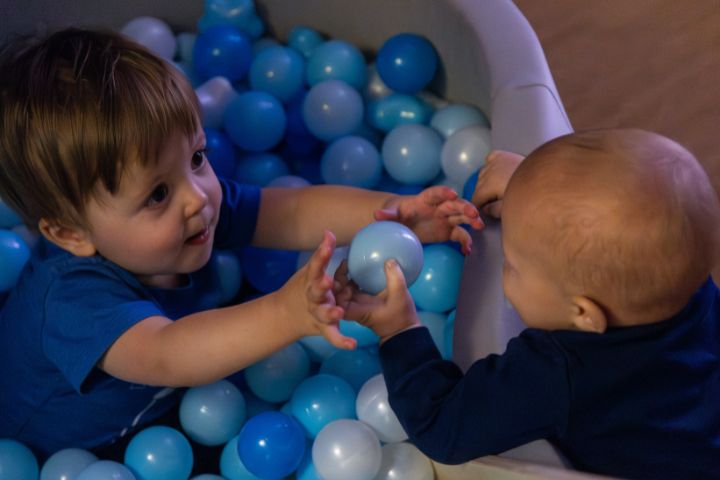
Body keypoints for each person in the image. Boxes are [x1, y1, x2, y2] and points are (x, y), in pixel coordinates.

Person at [0, 28, 482, 459]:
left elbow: (291, 211)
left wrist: (396, 214)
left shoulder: (188, 212)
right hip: (65, 452)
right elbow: (168, 352)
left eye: (196, 156)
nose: (199, 197)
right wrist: (286, 313)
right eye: (158, 194)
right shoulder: (71, 302)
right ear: (71, 234)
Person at [336, 129, 720, 479]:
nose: (506, 268)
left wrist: (400, 331)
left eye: (514, 265)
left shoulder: (558, 373)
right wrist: (531, 189)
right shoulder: (688, 286)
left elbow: (442, 428)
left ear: (582, 314)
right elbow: (615, 218)